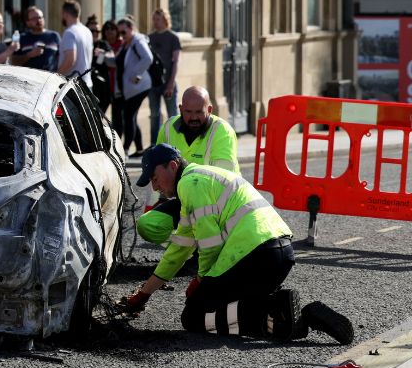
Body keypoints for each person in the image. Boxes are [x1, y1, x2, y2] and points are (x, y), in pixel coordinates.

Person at [121, 144, 354, 344]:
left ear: (172, 165)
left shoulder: (190, 184)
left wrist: (201, 280)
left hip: (254, 255)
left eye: (154, 178)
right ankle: (279, 308)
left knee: (193, 316)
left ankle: (284, 319)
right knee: (224, 302)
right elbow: (178, 251)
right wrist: (144, 294)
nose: (154, 187)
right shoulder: (203, 177)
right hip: (280, 252)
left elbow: (210, 244)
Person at [156, 86, 239, 172]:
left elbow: (222, 178)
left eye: (199, 112)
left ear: (209, 110)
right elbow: (158, 170)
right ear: (181, 109)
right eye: (188, 112)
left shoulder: (223, 132)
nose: (194, 118)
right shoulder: (168, 127)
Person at [116, 16, 152, 158]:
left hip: (139, 87)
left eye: (123, 32)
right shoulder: (126, 44)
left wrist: (137, 74)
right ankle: (140, 148)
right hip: (130, 89)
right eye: (120, 33)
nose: (121, 36)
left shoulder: (137, 41)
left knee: (129, 115)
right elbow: (117, 62)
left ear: (131, 29)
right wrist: (104, 57)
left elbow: (148, 58)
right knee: (132, 116)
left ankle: (125, 149)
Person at [148, 8, 183, 146]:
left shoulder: (173, 38)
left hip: (168, 82)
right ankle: (155, 144)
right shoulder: (150, 38)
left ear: (165, 20)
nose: (155, 22)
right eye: (154, 19)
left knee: (172, 116)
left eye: (158, 19)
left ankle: (175, 144)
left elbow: (175, 62)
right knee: (154, 114)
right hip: (153, 83)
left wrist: (171, 83)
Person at [9, 6, 60, 71]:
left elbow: (61, 58)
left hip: (50, 79)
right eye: (34, 19)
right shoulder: (22, 38)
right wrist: (29, 55)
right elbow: (13, 62)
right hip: (29, 79)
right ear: (27, 22)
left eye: (40, 17)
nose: (38, 20)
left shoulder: (54, 36)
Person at [57, 0, 93, 85]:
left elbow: (70, 59)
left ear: (65, 13)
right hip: (87, 83)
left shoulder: (69, 32)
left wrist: (56, 76)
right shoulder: (87, 31)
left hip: (73, 86)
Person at [91, 19, 115, 114]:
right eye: (92, 31)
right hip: (87, 86)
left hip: (102, 89)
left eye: (97, 31)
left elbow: (112, 57)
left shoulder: (103, 44)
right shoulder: (84, 43)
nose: (95, 33)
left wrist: (103, 53)